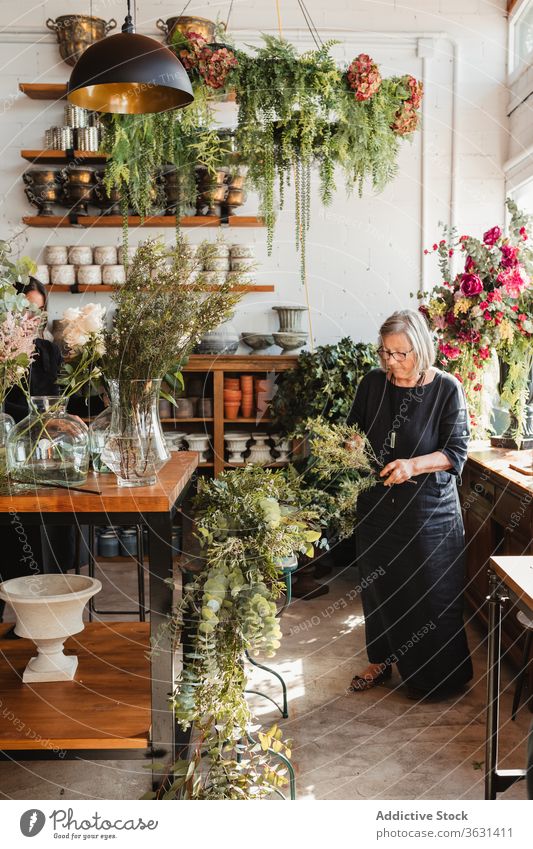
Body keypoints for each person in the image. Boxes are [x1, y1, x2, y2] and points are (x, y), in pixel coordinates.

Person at [346, 308, 473, 701]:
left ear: (421, 348)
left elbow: (456, 452)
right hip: (378, 509)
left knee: (431, 593)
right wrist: (350, 446)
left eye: (402, 354)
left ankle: (436, 677)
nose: (393, 362)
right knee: (380, 587)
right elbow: (353, 431)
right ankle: (380, 662)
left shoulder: (446, 389)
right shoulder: (372, 384)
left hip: (429, 513)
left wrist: (412, 466)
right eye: (386, 353)